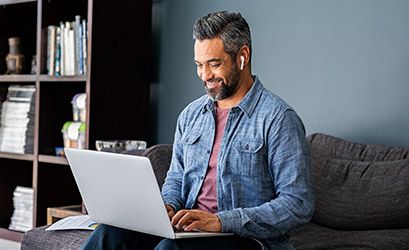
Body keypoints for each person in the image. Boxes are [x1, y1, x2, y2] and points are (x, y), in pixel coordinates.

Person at [81, 10, 314, 250]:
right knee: (109, 235)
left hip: (247, 240)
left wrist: (221, 221)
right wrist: (168, 206)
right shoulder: (191, 115)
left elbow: (297, 203)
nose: (204, 75)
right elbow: (175, 179)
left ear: (243, 56)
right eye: (199, 65)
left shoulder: (278, 119)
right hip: (191, 232)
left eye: (214, 64)